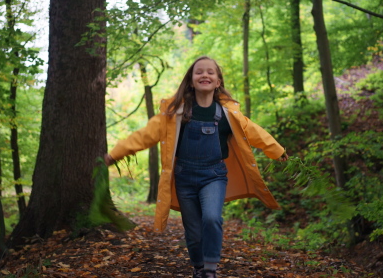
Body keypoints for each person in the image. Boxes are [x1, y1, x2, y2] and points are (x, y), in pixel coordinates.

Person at [104, 56, 288, 278]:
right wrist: (115, 154)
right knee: (193, 231)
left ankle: (210, 269)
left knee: (212, 218)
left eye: (210, 72)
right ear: (191, 81)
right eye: (199, 72)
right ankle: (199, 267)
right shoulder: (174, 113)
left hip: (214, 176)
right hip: (185, 178)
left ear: (218, 81)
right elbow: (145, 135)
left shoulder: (228, 113)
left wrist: (277, 150)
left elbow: (255, 132)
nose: (205, 75)